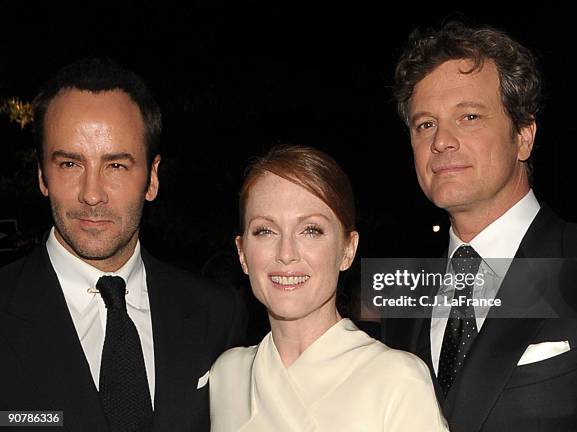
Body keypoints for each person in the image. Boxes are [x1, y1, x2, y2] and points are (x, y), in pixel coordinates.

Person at [382, 21, 577, 431]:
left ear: (523, 137)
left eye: (469, 116)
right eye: (425, 124)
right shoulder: (401, 289)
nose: (441, 141)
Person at [0, 57, 244, 432]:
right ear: (42, 176)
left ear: (152, 178)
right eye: (69, 164)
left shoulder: (217, 315)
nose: (92, 194)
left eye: (116, 165)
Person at [209, 145, 448, 431]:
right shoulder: (228, 375)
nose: (286, 253)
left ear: (348, 249)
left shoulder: (396, 380)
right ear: (242, 253)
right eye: (265, 230)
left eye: (311, 230)